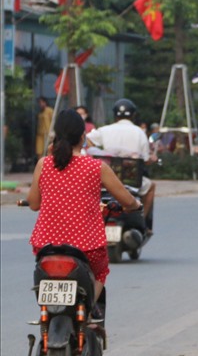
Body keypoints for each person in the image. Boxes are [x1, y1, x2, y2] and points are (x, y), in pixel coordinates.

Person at [27, 109, 141, 320]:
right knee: (100, 272)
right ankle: (86, 313)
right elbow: (126, 200)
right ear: (83, 137)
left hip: (45, 246)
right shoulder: (96, 167)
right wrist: (135, 204)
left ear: (57, 136)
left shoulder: (44, 164)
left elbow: (34, 204)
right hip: (87, 247)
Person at [86, 99, 157, 231]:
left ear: (115, 115)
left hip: (107, 179)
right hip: (132, 180)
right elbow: (146, 159)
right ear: (133, 115)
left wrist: (95, 152)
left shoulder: (105, 130)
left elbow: (86, 139)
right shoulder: (139, 132)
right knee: (151, 186)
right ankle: (143, 219)